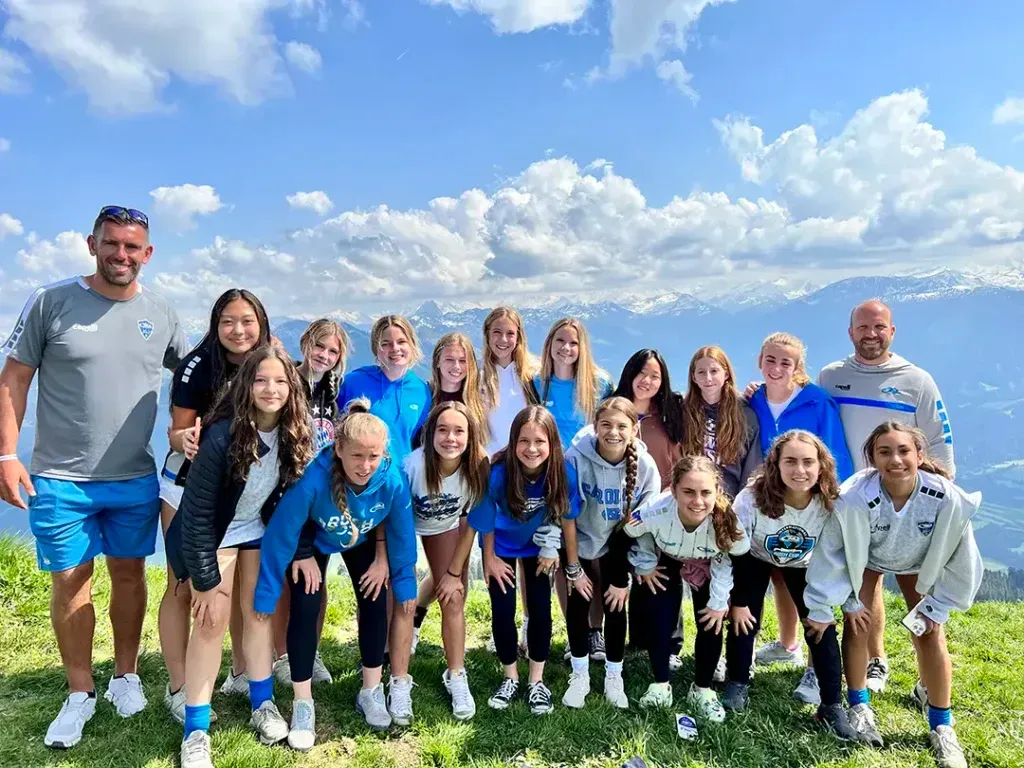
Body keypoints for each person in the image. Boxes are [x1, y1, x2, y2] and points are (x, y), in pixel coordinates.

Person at [0, 205, 189, 749]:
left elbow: (199, 377)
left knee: (131, 576)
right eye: (112, 244)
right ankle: (79, 691)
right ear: (92, 244)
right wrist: (6, 455)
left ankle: (125, 676)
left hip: (133, 476)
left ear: (147, 254)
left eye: (133, 247)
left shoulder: (163, 313)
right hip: (59, 477)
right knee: (71, 583)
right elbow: (13, 378)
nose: (121, 255)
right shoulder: (50, 301)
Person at [165, 345, 313, 768]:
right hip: (214, 537)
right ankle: (196, 729)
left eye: (281, 381)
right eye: (262, 380)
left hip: (258, 533)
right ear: (246, 384)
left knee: (259, 616)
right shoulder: (221, 435)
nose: (272, 389)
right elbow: (195, 515)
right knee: (210, 621)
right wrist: (207, 580)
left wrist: (301, 551)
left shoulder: (293, 432)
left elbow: (294, 502)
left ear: (293, 388)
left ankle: (262, 703)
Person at [805, 421, 981, 768]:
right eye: (884, 452)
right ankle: (859, 706)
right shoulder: (854, 499)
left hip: (920, 563)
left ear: (919, 455)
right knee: (858, 625)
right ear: (871, 458)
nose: (895, 460)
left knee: (930, 633)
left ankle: (942, 726)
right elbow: (833, 551)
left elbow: (963, 556)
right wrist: (843, 600)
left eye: (903, 451)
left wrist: (940, 605)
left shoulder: (947, 499)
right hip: (866, 558)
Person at [254, 398, 418, 744]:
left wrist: (402, 585)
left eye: (373, 456)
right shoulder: (314, 477)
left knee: (376, 597)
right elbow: (281, 532)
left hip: (362, 536)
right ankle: (303, 702)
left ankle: (370, 691)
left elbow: (403, 535)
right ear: (339, 449)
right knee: (306, 602)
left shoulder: (392, 479)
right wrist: (268, 595)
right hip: (312, 537)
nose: (365, 465)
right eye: (357, 456)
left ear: (383, 453)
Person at [816, 299, 956, 694]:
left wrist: (942, 500)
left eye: (879, 327)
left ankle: (927, 680)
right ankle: (876, 661)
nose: (871, 334)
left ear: (892, 331)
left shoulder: (917, 380)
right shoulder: (831, 376)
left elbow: (940, 442)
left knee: (920, 589)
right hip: (851, 502)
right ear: (850, 332)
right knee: (865, 584)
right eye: (863, 327)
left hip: (908, 498)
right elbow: (804, 403)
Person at [159, 288, 272, 721]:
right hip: (186, 489)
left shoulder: (269, 365)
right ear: (215, 324)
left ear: (260, 323)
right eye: (228, 321)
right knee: (183, 586)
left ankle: (242, 672)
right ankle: (179, 684)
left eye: (247, 321)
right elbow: (177, 431)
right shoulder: (197, 366)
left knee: (244, 587)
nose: (238, 330)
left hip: (245, 497)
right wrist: (184, 439)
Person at [442, 406, 582, 716]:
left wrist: (572, 567)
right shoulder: (497, 473)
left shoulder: (564, 473)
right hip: (502, 546)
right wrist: (489, 558)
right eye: (524, 441)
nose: (532, 449)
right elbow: (484, 519)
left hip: (537, 548)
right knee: (502, 611)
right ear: (513, 441)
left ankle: (536, 681)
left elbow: (569, 520)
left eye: (540, 442)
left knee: (541, 609)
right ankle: (510, 677)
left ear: (552, 444)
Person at [724, 431, 860, 741]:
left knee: (821, 625)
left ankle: (831, 705)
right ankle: (738, 681)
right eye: (791, 462)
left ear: (821, 465)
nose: (800, 470)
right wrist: (739, 599)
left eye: (808, 462)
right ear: (776, 465)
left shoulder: (832, 503)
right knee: (744, 615)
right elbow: (734, 545)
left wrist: (845, 603)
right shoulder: (752, 497)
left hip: (806, 564)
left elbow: (844, 556)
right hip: (753, 555)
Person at [745, 331, 853, 701]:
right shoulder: (754, 399)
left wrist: (833, 503)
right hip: (769, 501)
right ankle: (788, 644)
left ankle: (812, 668)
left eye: (785, 362)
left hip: (811, 504)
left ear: (798, 367)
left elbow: (833, 455)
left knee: (812, 582)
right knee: (779, 572)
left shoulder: (817, 403)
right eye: (770, 360)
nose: (777, 368)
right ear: (760, 362)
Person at [625, 456, 749, 721]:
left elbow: (736, 559)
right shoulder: (655, 510)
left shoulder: (727, 522)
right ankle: (660, 684)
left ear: (717, 491)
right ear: (673, 490)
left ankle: (702, 689)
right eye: (688, 492)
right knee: (660, 615)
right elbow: (629, 532)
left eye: (706, 492)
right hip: (668, 556)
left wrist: (724, 601)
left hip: (709, 563)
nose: (698, 501)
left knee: (711, 619)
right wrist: (644, 563)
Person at [561, 397, 660, 710]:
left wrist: (625, 574)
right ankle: (580, 674)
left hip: (620, 542)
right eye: (606, 424)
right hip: (578, 538)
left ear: (634, 430)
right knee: (579, 602)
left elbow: (642, 524)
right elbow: (566, 515)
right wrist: (574, 567)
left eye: (621, 426)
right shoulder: (575, 458)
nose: (613, 432)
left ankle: (613, 675)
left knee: (615, 604)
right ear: (595, 426)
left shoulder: (645, 467)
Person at [271, 318, 351, 687]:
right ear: (305, 343)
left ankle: (309, 651)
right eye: (320, 347)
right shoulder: (288, 383)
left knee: (315, 582)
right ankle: (282, 657)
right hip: (285, 497)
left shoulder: (332, 391)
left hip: (320, 500)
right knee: (286, 582)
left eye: (333, 351)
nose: (325, 355)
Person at [403, 401, 490, 719]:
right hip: (404, 525)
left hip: (445, 526)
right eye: (442, 429)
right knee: (398, 598)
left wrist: (454, 573)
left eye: (459, 431)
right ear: (430, 434)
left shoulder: (478, 465)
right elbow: (394, 518)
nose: (450, 438)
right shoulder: (412, 466)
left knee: (454, 596)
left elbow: (471, 521)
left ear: (470, 435)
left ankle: (456, 675)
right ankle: (386, 664)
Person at [410, 333, 488, 653]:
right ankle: (412, 616)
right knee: (446, 571)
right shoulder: (425, 396)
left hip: (461, 493)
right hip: (420, 489)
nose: (456, 367)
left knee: (457, 569)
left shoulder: (477, 402)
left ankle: (438, 627)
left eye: (463, 360)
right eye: (449, 360)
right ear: (437, 362)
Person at [612, 349, 686, 660]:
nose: (647, 381)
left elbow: (681, 454)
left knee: (664, 572)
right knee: (632, 570)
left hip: (664, 503)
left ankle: (670, 642)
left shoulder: (670, 412)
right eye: (642, 373)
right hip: (620, 506)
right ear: (630, 374)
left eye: (655, 376)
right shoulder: (613, 410)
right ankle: (639, 640)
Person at [336, 315, 431, 469]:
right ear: (376, 350)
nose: (395, 349)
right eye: (385, 344)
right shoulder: (353, 382)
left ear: (412, 345)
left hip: (401, 483)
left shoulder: (423, 392)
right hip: (359, 479)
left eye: (401, 342)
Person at [681, 346, 762, 498]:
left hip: (730, 498)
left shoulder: (745, 413)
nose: (708, 378)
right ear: (693, 377)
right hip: (692, 496)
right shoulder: (683, 412)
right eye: (701, 372)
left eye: (714, 371)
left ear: (726, 374)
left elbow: (752, 465)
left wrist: (744, 501)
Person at [534, 317, 613, 450]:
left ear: (582, 348)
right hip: (551, 462)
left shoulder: (600, 383)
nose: (566, 347)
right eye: (560, 340)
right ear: (550, 343)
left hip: (586, 461)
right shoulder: (537, 382)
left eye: (573, 343)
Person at [481, 307, 538, 457]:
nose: (503, 339)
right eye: (497, 332)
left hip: (527, 461)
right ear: (487, 335)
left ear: (519, 337)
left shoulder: (533, 376)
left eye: (510, 334)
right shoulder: (477, 378)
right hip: (491, 463)